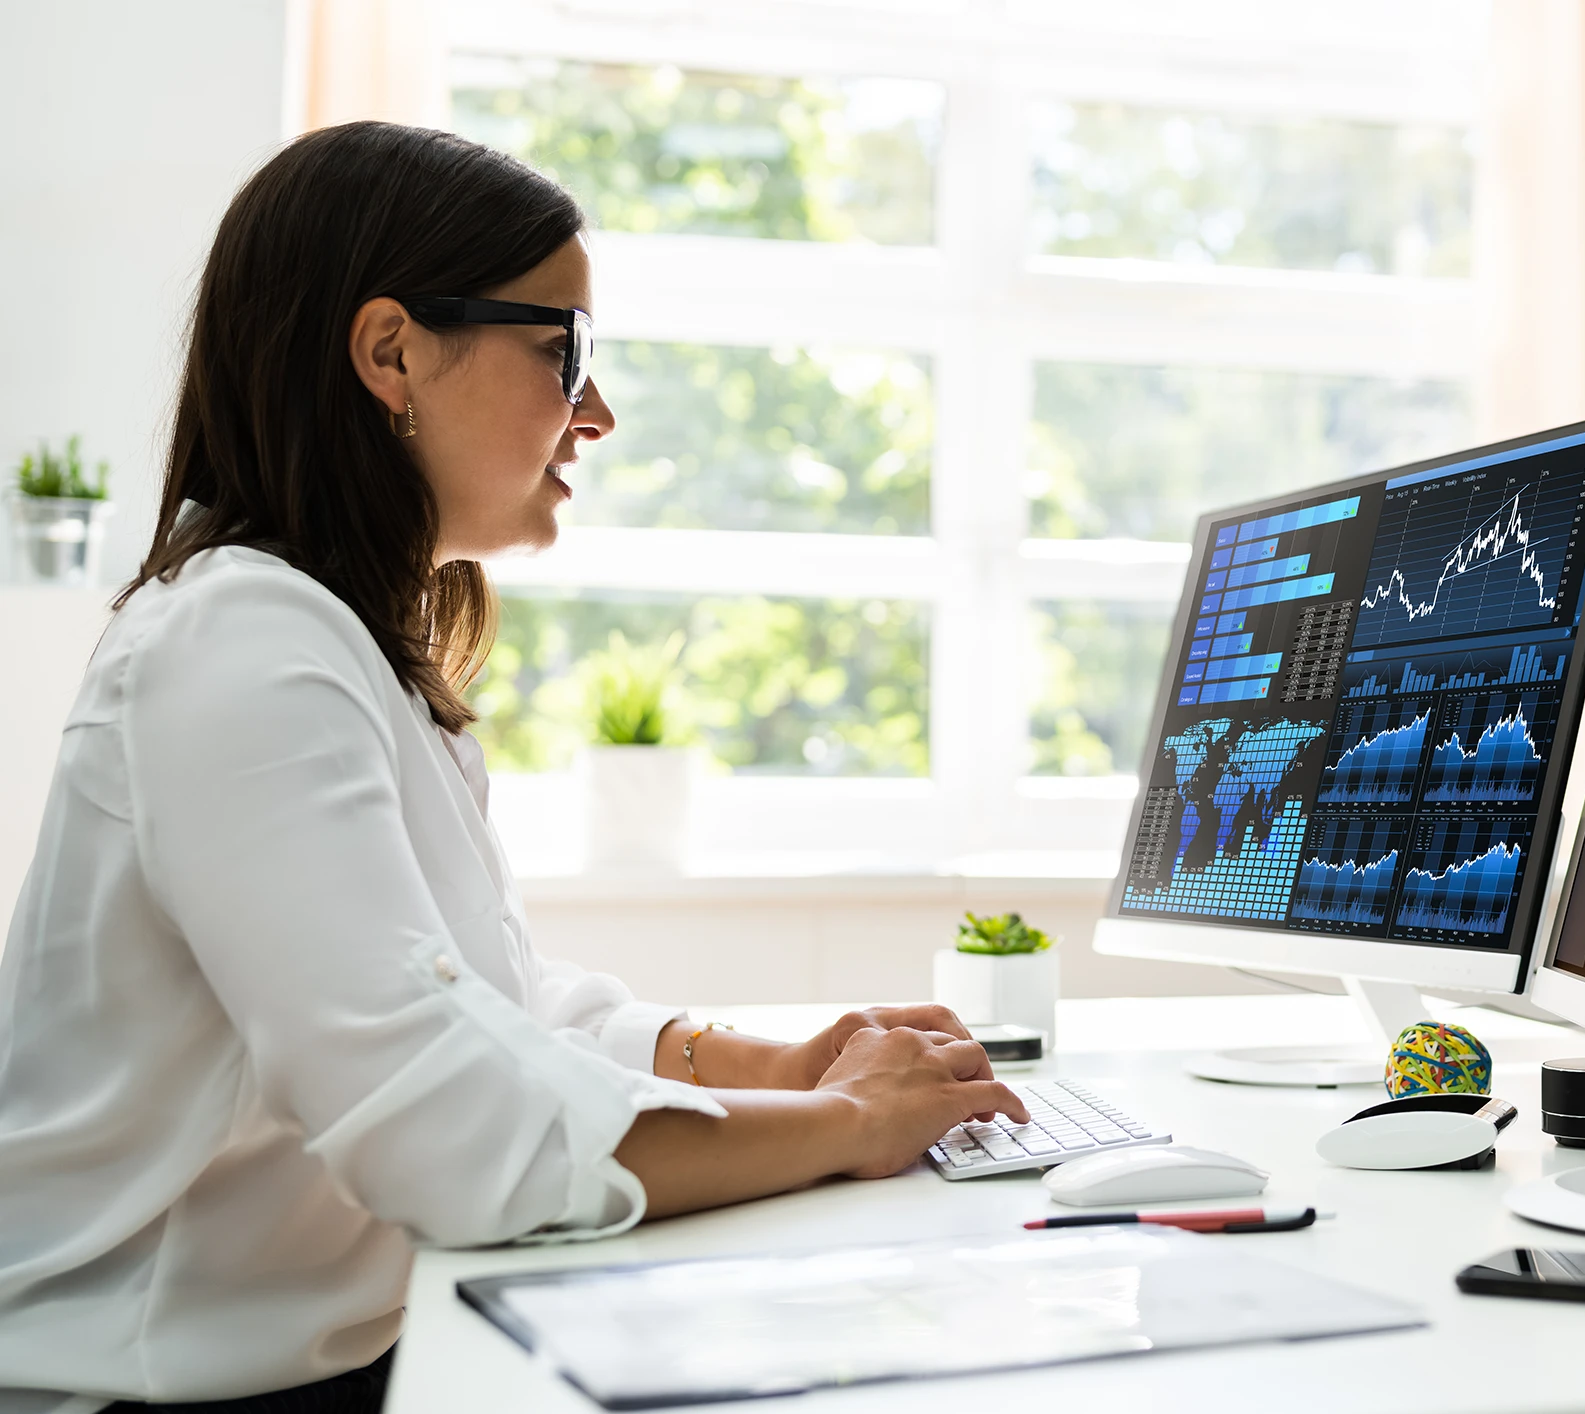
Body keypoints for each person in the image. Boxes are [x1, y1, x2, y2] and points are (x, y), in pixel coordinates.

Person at [0, 121, 1027, 1413]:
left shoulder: (339, 641)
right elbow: (446, 1128)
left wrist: (778, 1061)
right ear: (391, 353)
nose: (594, 411)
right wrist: (849, 1126)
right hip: (141, 1385)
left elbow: (496, 1006)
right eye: (563, 351)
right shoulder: (239, 643)